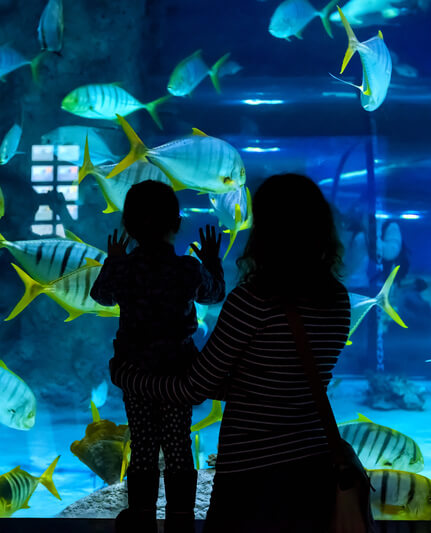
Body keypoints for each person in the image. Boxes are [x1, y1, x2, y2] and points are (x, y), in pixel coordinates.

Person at [110, 174, 351, 533]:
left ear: (265, 231)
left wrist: (127, 376)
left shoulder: (252, 301)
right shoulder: (337, 299)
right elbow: (274, 382)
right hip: (313, 468)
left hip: (252, 473)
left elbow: (194, 388)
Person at [90, 180, 226, 533]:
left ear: (128, 228)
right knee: (178, 443)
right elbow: (214, 295)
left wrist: (113, 261)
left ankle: (141, 516)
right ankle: (181, 519)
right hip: (177, 375)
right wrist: (211, 259)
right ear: (177, 224)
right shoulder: (187, 269)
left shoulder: (125, 269)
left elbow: (101, 296)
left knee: (144, 443)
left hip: (135, 373)